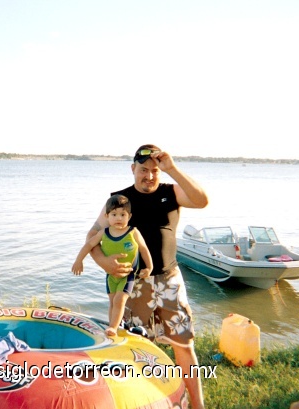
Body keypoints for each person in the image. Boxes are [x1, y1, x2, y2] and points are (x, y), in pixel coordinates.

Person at [87, 144, 209, 409]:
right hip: (133, 285)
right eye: (144, 170)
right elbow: (92, 236)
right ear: (133, 169)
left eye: (154, 171)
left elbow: (202, 200)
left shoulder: (172, 192)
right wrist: (103, 262)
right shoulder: (119, 201)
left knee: (184, 346)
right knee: (134, 347)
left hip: (169, 282)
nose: (149, 176)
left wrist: (172, 169)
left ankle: (197, 406)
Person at [72, 194, 153, 337]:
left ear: (129, 216)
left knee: (119, 300)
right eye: (114, 214)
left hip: (127, 275)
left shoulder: (133, 232)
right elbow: (89, 244)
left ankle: (114, 328)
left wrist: (149, 267)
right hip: (111, 276)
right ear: (107, 216)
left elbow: (144, 249)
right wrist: (79, 260)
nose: (119, 218)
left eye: (123, 214)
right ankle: (111, 327)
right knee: (112, 302)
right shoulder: (104, 233)